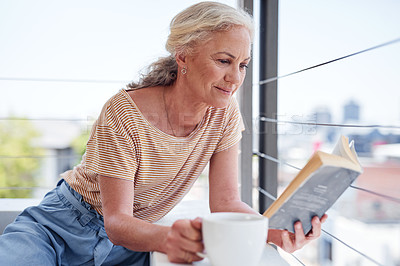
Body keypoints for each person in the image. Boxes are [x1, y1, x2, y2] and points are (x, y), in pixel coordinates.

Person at [0, 2, 327, 265]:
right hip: (59, 227)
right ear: (183, 55)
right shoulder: (124, 112)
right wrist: (169, 236)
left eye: (242, 64)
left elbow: (226, 203)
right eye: (224, 61)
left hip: (129, 248)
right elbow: (117, 222)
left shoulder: (225, 113)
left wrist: (274, 233)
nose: (235, 78)